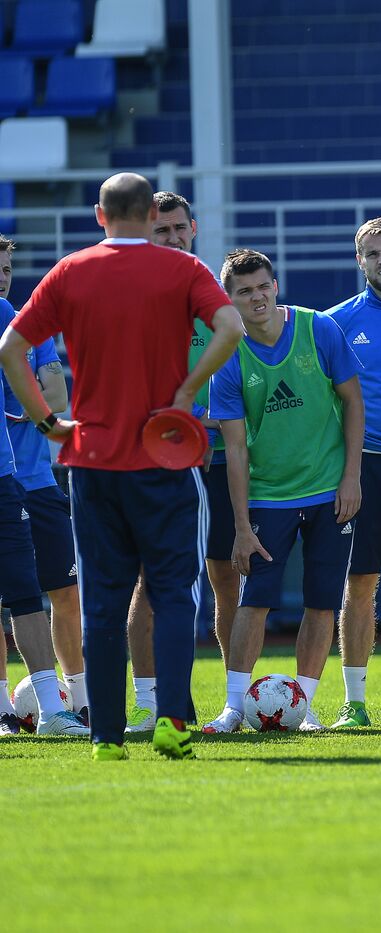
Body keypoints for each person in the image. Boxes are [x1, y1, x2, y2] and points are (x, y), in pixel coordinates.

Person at [0, 172, 242, 758]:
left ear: (100, 214)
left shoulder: (71, 271)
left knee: (103, 600)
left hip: (93, 462)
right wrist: (187, 391)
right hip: (163, 455)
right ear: (146, 213)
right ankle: (173, 724)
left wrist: (47, 423)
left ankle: (106, 736)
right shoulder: (183, 270)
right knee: (173, 594)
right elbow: (232, 326)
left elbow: (9, 348)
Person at [199, 249, 363, 733]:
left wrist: (352, 477)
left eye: (263, 286)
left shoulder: (320, 329)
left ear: (276, 285)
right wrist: (243, 527)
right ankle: (232, 707)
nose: (257, 298)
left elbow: (354, 403)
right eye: (244, 291)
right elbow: (235, 449)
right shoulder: (226, 355)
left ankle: (304, 706)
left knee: (321, 601)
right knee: (255, 601)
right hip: (270, 497)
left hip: (332, 490)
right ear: (229, 300)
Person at [125, 191, 242, 732]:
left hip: (219, 462)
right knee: (154, 582)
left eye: (178, 229)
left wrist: (222, 417)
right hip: (161, 460)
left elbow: (244, 377)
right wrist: (194, 413)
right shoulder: (140, 296)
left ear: (194, 230)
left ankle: (232, 703)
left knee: (225, 579)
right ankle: (153, 705)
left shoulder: (212, 293)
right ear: (146, 232)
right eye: (161, 230)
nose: (171, 238)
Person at [325, 217, 381, 728]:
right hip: (364, 467)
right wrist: (346, 471)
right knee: (359, 584)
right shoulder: (335, 322)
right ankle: (354, 703)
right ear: (360, 261)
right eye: (373, 253)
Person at [0, 235, 88, 728]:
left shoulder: (22, 321)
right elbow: (38, 395)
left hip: (34, 478)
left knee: (62, 590)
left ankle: (77, 698)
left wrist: (21, 406)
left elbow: (54, 393)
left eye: (7, 267)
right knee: (12, 594)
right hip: (9, 475)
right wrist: (28, 405)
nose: (2, 276)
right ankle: (5, 709)